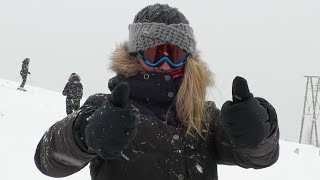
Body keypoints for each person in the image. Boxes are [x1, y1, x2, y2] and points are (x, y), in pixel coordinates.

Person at [34, 4, 279, 180]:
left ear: (188, 59)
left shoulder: (204, 118)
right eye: (153, 53)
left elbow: (260, 157)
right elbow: (48, 160)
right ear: (134, 56)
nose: (164, 64)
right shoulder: (109, 110)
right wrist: (83, 133)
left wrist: (259, 131)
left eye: (174, 55)